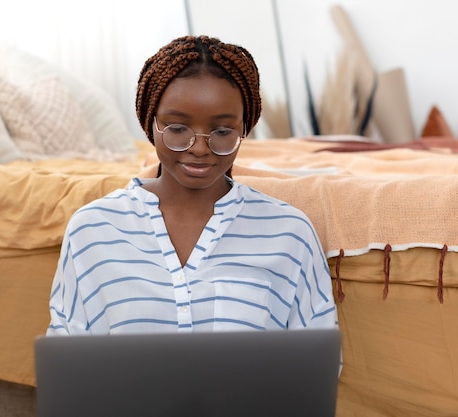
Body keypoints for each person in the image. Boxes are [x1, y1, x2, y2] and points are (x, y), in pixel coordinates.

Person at [46, 35, 338, 336]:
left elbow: (316, 362)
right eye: (177, 128)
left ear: (245, 128)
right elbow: (70, 351)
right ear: (151, 123)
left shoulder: (290, 232)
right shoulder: (91, 229)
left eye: (223, 131)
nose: (199, 148)